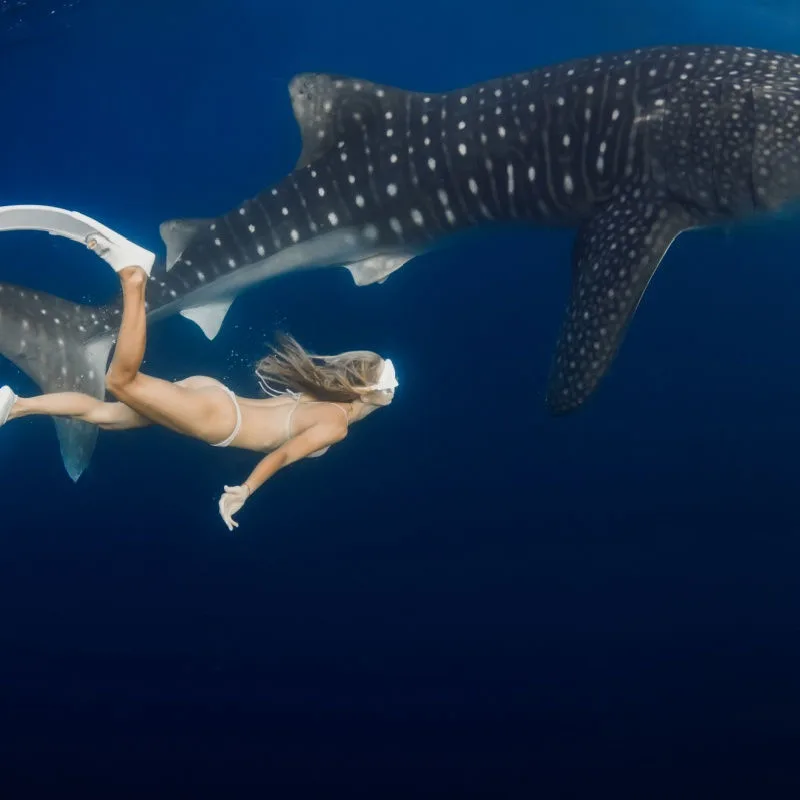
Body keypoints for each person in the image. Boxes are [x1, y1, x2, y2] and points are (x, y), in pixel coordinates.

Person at [0, 266, 398, 530]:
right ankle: (134, 285)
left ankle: (16, 406)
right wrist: (246, 490)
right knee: (121, 381)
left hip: (212, 396)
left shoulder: (324, 395)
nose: (394, 390)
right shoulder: (336, 423)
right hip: (219, 421)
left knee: (106, 415)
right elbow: (282, 455)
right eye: (389, 385)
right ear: (369, 392)